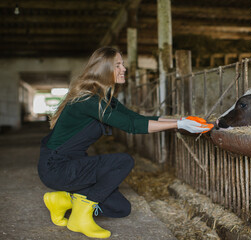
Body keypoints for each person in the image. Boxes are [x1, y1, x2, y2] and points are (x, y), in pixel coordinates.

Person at [37, 46, 212, 239]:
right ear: (103, 69)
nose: (124, 68)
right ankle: (80, 216)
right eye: (118, 64)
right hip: (57, 167)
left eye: (122, 64)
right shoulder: (88, 99)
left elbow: (135, 117)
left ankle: (63, 200)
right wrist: (178, 124)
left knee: (121, 208)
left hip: (75, 165)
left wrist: (181, 121)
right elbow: (131, 125)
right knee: (123, 161)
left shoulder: (106, 99)